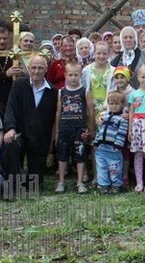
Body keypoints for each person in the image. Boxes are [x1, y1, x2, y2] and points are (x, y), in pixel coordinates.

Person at [2, 54, 58, 185]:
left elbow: (55, 117)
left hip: (40, 138)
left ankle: (27, 179)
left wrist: (52, 138)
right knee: (11, 144)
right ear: (28, 68)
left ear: (46, 69)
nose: (36, 71)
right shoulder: (19, 85)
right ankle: (13, 182)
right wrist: (10, 129)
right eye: (33, 67)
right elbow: (11, 108)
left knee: (35, 183)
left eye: (40, 68)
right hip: (20, 133)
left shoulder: (53, 91)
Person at [53, 62, 94, 194]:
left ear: (80, 75)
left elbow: (90, 111)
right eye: (70, 75)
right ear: (65, 75)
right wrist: (57, 131)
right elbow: (58, 112)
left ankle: (80, 182)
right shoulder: (61, 92)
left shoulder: (85, 91)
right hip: (65, 128)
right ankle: (61, 181)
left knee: (80, 155)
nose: (73, 78)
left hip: (79, 128)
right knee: (62, 156)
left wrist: (90, 128)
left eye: (76, 75)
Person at [93, 90, 128, 194]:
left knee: (115, 168)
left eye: (117, 104)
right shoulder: (104, 116)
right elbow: (99, 130)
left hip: (114, 148)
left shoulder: (122, 119)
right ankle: (103, 185)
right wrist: (96, 142)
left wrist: (118, 145)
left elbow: (122, 133)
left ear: (122, 105)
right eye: (111, 103)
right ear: (108, 104)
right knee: (101, 167)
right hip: (101, 148)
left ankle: (116, 184)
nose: (114, 106)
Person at [81, 41, 114, 120]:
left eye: (104, 53)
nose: (101, 56)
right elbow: (83, 89)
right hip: (91, 108)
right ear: (94, 53)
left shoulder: (113, 71)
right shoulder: (86, 70)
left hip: (108, 108)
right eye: (98, 53)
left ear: (108, 55)